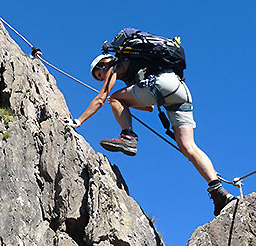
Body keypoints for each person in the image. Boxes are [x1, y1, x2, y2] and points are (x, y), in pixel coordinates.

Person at [63, 30, 236, 216]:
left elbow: (101, 98)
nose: (101, 78)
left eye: (99, 73)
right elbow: (149, 108)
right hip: (179, 90)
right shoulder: (136, 69)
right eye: (98, 78)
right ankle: (219, 191)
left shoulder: (117, 65)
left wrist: (78, 121)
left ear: (106, 63)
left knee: (114, 98)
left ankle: (128, 136)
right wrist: (129, 101)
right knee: (188, 146)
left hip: (161, 85)